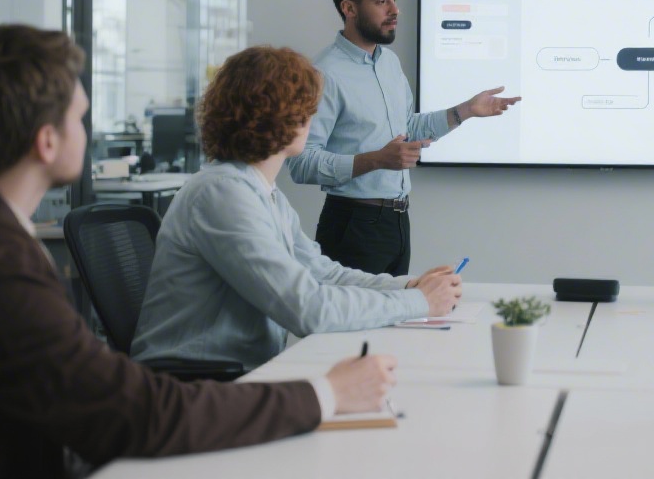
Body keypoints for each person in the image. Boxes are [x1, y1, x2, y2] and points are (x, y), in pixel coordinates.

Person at [0, 25, 399, 478]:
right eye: (79, 118)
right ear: (47, 140)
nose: (87, 130)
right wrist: (326, 394)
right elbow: (130, 414)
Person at [133, 45, 462, 370]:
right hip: (197, 385)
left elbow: (325, 274)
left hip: (240, 376)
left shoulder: (261, 191)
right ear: (277, 116)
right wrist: (419, 302)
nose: (312, 116)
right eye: (305, 107)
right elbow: (308, 309)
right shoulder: (223, 195)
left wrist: (408, 285)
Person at [287, 0, 521, 275]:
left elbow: (407, 128)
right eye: (381, 1)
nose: (394, 10)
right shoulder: (323, 74)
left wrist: (463, 111)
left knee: (395, 322)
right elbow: (301, 163)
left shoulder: (389, 63)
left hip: (397, 222)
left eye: (394, 0)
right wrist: (376, 160)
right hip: (352, 224)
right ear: (349, 8)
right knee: (354, 323)